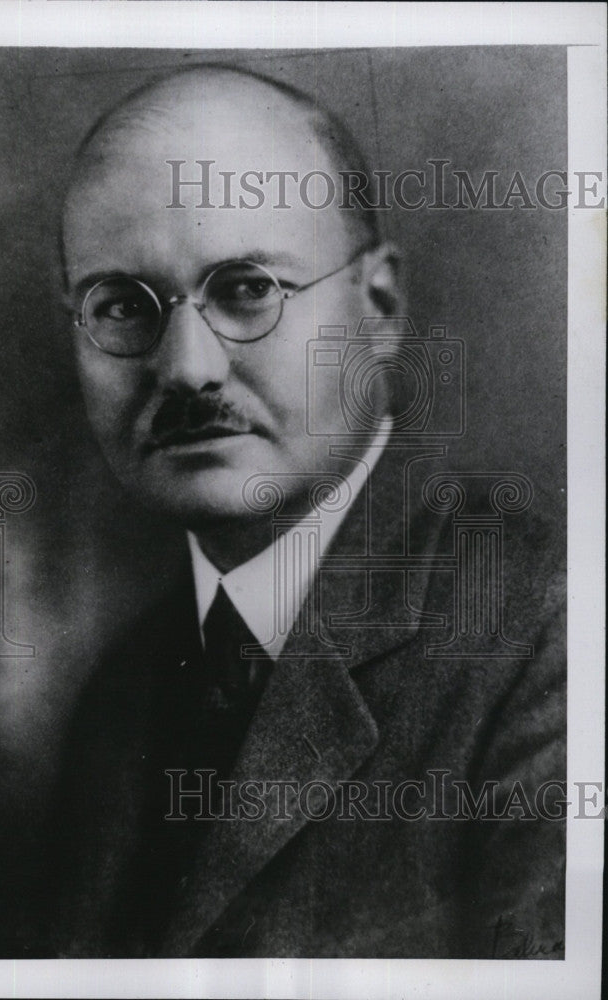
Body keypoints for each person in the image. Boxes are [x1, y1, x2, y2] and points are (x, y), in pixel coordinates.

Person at [46, 65, 566, 959]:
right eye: (122, 307)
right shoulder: (117, 699)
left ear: (378, 307)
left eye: (246, 289)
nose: (185, 368)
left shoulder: (549, 634)